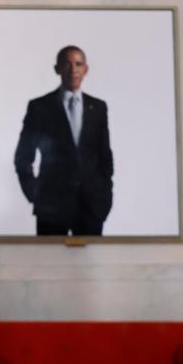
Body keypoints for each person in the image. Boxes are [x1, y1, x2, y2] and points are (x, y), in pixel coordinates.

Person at [14, 45, 114, 235]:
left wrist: (105, 196)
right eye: (67, 64)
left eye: (78, 64)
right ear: (57, 69)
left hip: (91, 207)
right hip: (51, 208)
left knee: (89, 263)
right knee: (49, 263)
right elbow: (23, 157)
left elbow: (105, 156)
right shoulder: (40, 107)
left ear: (85, 69)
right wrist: (35, 194)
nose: (73, 69)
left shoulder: (98, 108)